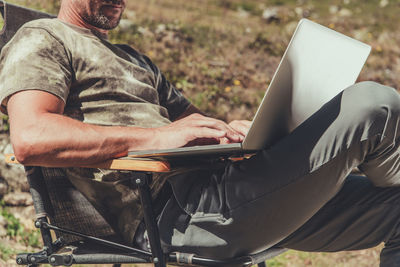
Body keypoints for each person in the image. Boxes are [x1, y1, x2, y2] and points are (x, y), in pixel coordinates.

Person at [1, 0, 400, 265]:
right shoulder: (42, 38)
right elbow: (32, 137)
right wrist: (157, 139)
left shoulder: (134, 59)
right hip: (178, 213)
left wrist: (239, 133)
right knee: (372, 103)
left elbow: (196, 125)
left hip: (232, 191)